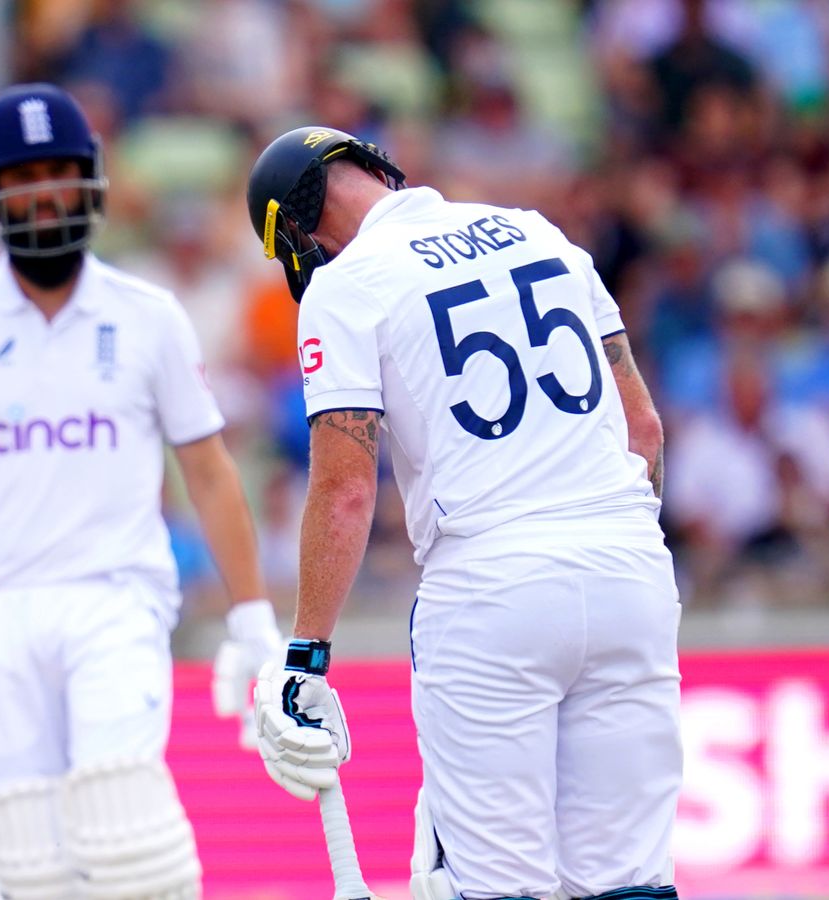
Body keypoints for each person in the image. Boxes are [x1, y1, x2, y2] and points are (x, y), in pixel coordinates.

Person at [245, 126, 679, 900]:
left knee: (494, 886)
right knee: (628, 883)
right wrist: (607, 547)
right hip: (628, 564)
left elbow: (345, 490)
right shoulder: (540, 232)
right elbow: (641, 427)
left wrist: (306, 653)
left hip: (492, 586)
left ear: (302, 231)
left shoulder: (347, 287)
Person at [0, 83, 281, 899]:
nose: (42, 195)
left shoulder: (148, 316)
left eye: (57, 172)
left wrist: (253, 620)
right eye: (22, 177)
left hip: (116, 598)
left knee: (126, 836)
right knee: (34, 867)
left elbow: (207, 470)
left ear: (91, 181)